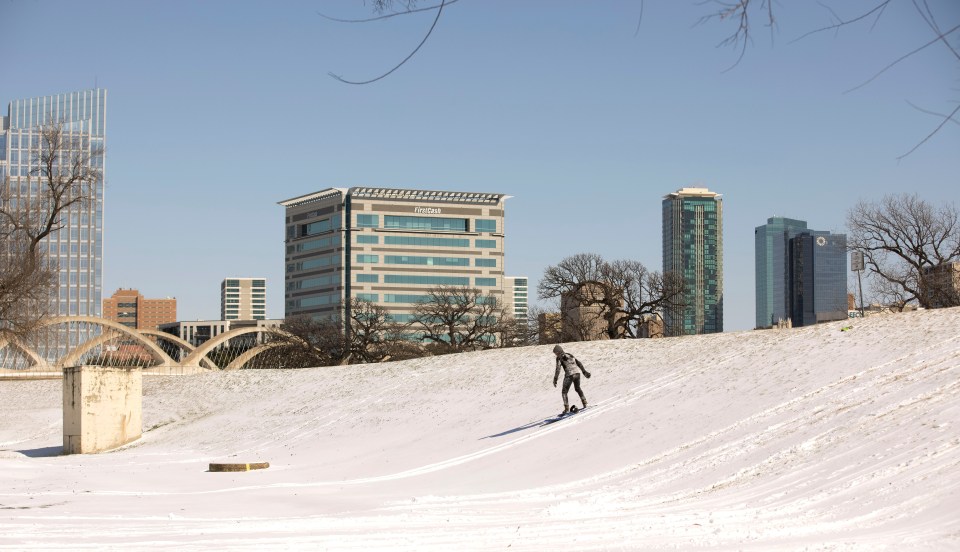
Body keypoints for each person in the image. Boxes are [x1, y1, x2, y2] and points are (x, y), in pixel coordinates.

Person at [553, 344, 591, 413]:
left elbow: (558, 369)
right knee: (578, 388)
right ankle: (585, 402)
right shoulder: (569, 354)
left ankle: (566, 408)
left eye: (555, 353)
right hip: (577, 374)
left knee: (564, 392)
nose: (555, 354)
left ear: (558, 352)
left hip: (569, 375)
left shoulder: (559, 358)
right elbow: (578, 363)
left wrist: (555, 379)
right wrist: (584, 372)